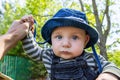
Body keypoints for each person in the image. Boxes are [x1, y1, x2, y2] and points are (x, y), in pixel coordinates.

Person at [21, 8, 120, 80]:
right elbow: (32, 50)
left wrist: (108, 75)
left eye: (75, 37)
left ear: (85, 40)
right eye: (59, 37)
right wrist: (28, 31)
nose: (65, 44)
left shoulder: (92, 58)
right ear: (51, 38)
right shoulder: (48, 55)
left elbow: (112, 67)